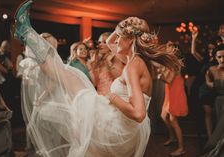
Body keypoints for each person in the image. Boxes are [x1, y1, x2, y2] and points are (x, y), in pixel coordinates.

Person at [13, 1, 181, 157]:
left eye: (121, 36)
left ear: (129, 40)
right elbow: (110, 41)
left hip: (117, 128)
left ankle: (26, 33)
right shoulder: (132, 60)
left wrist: (111, 97)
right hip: (122, 126)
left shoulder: (132, 66)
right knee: (66, 74)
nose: (117, 40)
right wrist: (120, 27)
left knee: (65, 75)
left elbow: (138, 113)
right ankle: (26, 33)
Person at [203, 44, 224, 156]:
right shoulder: (212, 69)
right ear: (215, 57)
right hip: (218, 102)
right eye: (219, 57)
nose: (222, 59)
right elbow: (208, 85)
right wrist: (210, 83)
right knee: (218, 127)